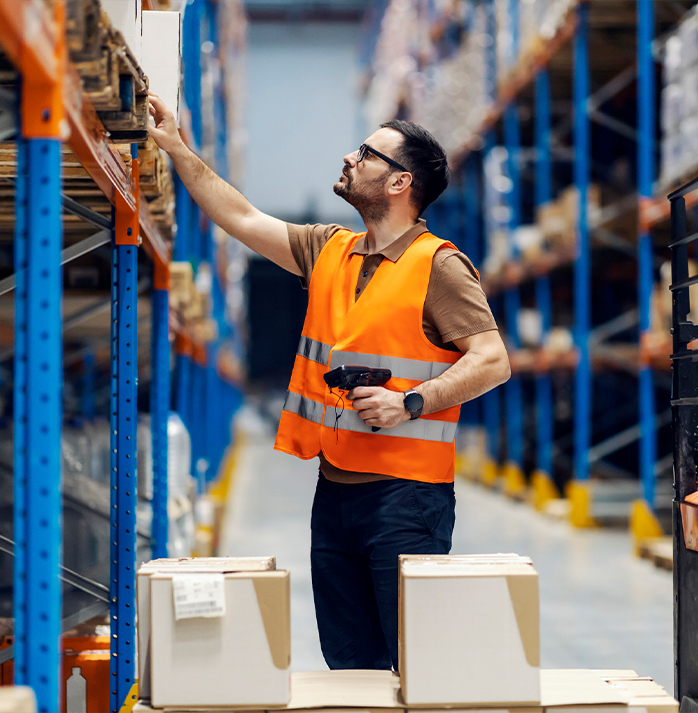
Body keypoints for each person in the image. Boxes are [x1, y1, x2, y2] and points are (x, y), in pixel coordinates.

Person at [148, 93, 511, 671]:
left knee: (415, 667)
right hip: (335, 494)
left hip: (407, 500)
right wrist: (175, 148)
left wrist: (410, 402)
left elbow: (492, 359)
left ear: (400, 183)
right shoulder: (329, 250)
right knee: (348, 665)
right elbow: (240, 217)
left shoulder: (439, 266)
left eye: (367, 154)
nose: (349, 157)